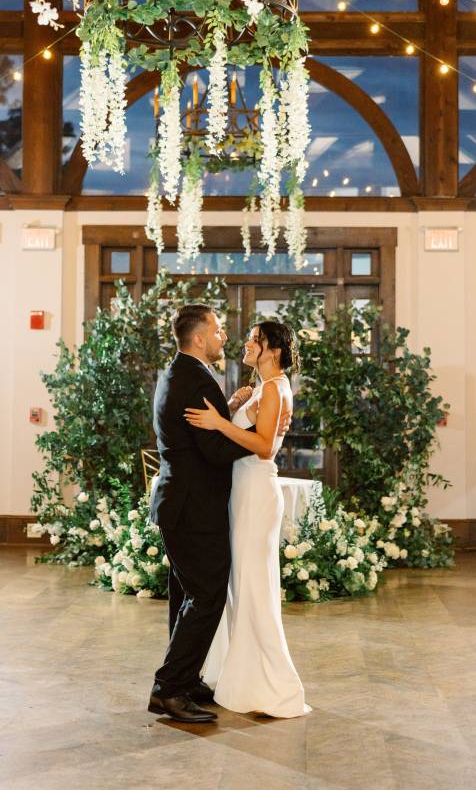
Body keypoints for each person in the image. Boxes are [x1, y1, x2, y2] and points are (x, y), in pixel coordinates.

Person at [186, 320, 311, 719]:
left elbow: (262, 448)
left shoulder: (276, 388)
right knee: (240, 586)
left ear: (273, 349)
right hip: (241, 493)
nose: (247, 343)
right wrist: (235, 406)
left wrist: (220, 422)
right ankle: (238, 675)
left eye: (255, 339)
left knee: (254, 588)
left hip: (256, 493)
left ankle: (272, 683)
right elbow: (248, 432)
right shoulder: (260, 388)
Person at [148, 304, 263, 723]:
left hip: (180, 503)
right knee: (207, 595)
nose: (222, 337)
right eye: (216, 330)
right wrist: (258, 434)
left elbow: (204, 432)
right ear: (198, 337)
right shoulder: (194, 380)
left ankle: (186, 677)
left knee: (186, 596)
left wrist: (229, 408)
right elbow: (213, 451)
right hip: (193, 508)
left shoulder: (180, 373)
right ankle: (169, 688)